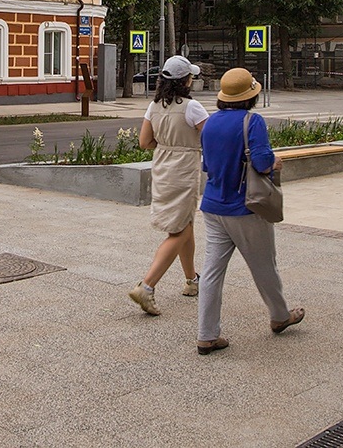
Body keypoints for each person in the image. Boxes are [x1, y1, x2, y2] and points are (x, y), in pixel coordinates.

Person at [195, 67, 303, 355]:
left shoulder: (210, 123)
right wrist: (275, 162)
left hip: (213, 206)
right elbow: (262, 162)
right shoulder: (251, 121)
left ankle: (207, 335)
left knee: (211, 272)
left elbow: (207, 166)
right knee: (264, 265)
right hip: (245, 207)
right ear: (250, 96)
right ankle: (280, 316)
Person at [128, 55, 208, 316]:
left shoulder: (154, 107)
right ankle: (147, 286)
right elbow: (211, 136)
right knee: (179, 231)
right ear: (185, 80)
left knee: (185, 224)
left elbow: (144, 142)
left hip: (162, 166)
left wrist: (166, 145)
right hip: (184, 169)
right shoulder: (192, 107)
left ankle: (191, 280)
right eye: (191, 76)